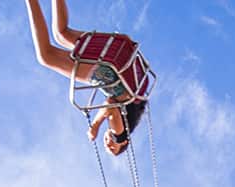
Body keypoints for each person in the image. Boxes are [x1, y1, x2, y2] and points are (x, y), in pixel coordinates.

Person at [22, 0, 146, 156]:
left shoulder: (133, 108)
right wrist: (95, 125)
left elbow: (111, 104)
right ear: (124, 143)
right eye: (113, 148)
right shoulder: (121, 135)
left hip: (116, 55)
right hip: (106, 73)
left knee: (61, 33)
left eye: (107, 148)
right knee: (46, 56)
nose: (108, 144)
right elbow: (111, 107)